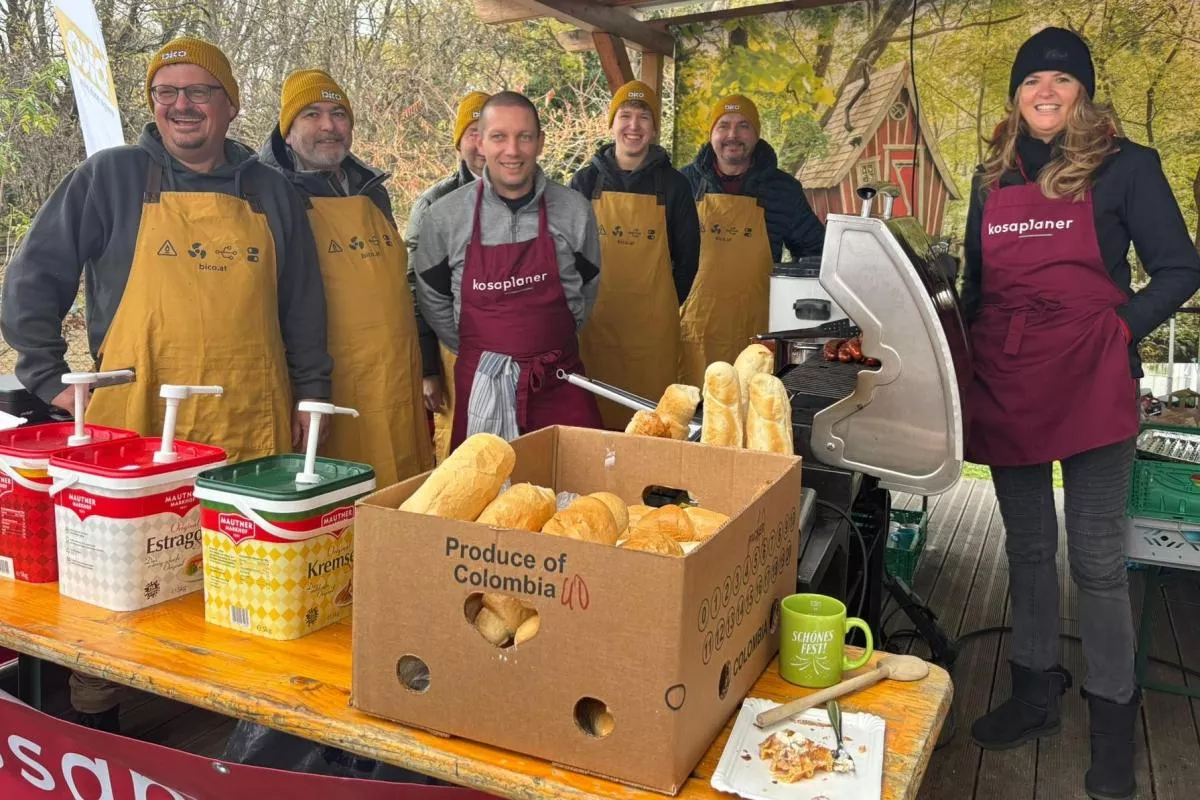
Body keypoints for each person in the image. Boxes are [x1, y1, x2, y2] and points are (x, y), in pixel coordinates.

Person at [0, 37, 331, 733]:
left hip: (251, 410)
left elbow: (302, 304)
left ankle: (235, 711)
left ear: (230, 104)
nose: (182, 105)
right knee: (123, 574)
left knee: (242, 563)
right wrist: (45, 373)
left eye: (199, 91)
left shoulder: (271, 188)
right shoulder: (112, 176)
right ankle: (99, 717)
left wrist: (310, 391)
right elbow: (33, 277)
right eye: (165, 92)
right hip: (137, 416)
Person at [962, 28, 1200, 800]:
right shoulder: (989, 176)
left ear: (1082, 93)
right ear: (1017, 94)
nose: (1047, 90)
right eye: (1034, 79)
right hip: (1008, 378)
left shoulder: (1129, 168)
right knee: (1028, 548)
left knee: (1097, 562)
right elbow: (974, 286)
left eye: (1062, 79)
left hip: (1093, 380)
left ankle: (1110, 723)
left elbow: (1180, 268)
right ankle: (1035, 695)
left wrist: (1120, 328)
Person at [260, 68, 432, 485]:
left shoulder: (373, 190)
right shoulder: (267, 192)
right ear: (287, 130)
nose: (328, 126)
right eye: (311, 114)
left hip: (393, 380)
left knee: (399, 493)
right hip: (323, 389)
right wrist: (307, 389)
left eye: (338, 114)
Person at [413, 91, 603, 449]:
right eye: (499, 136)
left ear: (540, 142)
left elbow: (587, 289)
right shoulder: (444, 217)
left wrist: (542, 340)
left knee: (580, 492)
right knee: (484, 495)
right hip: (481, 385)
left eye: (524, 136)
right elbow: (432, 299)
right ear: (481, 142)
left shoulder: (574, 210)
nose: (512, 151)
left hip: (557, 381)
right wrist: (485, 348)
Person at [569, 80, 699, 428]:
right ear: (611, 124)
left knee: (652, 425)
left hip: (651, 338)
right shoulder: (583, 183)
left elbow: (688, 260)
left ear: (654, 128)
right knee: (593, 424)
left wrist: (660, 305)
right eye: (625, 116)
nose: (633, 126)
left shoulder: (673, 185)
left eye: (644, 117)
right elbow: (565, 255)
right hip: (595, 330)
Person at [679, 94, 824, 386]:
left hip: (757, 335)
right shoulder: (682, 184)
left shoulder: (783, 189)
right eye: (723, 125)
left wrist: (793, 309)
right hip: (692, 335)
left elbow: (816, 251)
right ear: (711, 135)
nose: (732, 135)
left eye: (743, 125)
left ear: (756, 135)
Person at [407, 90, 490, 463]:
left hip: (524, 359)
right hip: (456, 359)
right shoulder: (434, 205)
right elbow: (417, 291)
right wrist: (428, 370)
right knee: (462, 461)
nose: (484, 142)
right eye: (474, 131)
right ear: (459, 143)